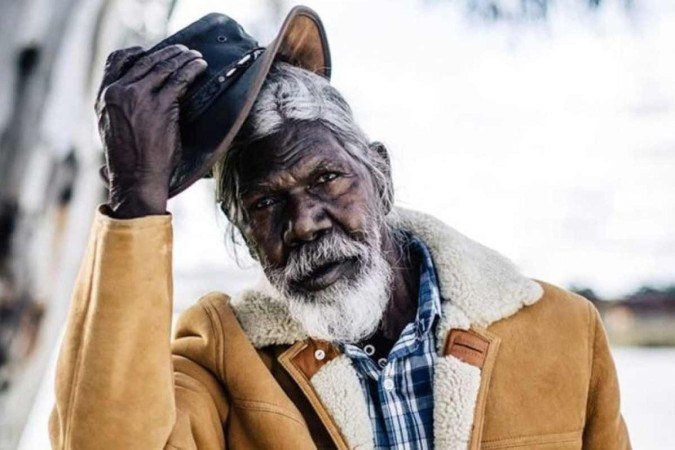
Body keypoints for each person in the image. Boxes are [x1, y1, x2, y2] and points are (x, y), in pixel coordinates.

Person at [49, 6, 630, 450]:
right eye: (264, 204)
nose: (304, 223)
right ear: (242, 231)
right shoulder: (220, 357)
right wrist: (137, 199)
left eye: (327, 178)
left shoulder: (563, 332)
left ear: (379, 172)